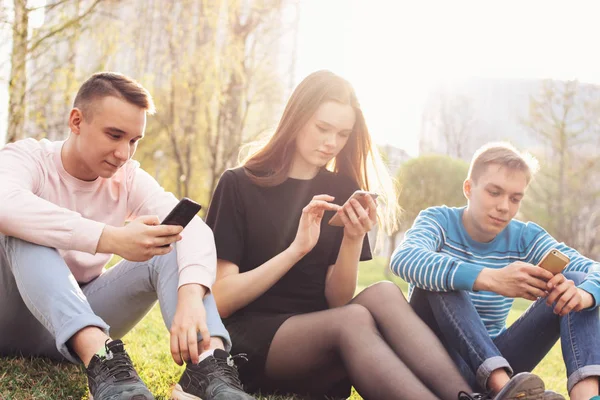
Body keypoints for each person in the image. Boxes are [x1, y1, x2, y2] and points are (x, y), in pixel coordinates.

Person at [205, 70, 544, 400]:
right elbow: (221, 299)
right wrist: (296, 249)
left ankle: (468, 396)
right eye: (323, 128)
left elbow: (336, 300)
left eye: (342, 134)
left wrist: (352, 239)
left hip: (323, 334)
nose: (331, 143)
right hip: (253, 341)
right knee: (353, 319)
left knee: (381, 292)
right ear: (296, 118)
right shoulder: (239, 184)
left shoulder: (343, 189)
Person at [0, 72, 255, 400]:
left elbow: (193, 229)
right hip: (9, 316)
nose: (124, 153)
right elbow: (5, 204)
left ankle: (209, 367)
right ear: (76, 121)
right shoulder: (28, 158)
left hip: (76, 324)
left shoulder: (128, 177)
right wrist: (111, 238)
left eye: (134, 140)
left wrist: (191, 297)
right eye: (115, 135)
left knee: (172, 240)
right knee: (23, 230)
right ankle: (102, 359)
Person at [391, 142, 600, 400]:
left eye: (515, 198)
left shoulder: (525, 237)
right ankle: (503, 389)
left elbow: (593, 270)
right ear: (468, 188)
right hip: (437, 364)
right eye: (494, 192)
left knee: (575, 283)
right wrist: (489, 279)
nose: (504, 207)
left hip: (500, 357)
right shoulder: (438, 221)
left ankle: (587, 397)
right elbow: (403, 258)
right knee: (439, 280)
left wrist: (585, 295)